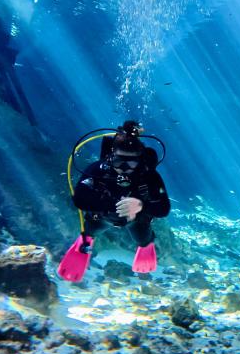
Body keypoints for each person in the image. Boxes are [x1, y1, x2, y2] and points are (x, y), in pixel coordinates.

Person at [57, 121, 171, 283]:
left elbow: (164, 209)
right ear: (111, 157)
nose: (124, 168)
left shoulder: (148, 176)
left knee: (143, 236)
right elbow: (79, 199)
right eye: (119, 162)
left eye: (131, 163)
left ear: (140, 160)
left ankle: (146, 245)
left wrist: (141, 206)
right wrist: (111, 206)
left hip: (136, 218)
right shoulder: (98, 170)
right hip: (103, 215)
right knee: (91, 229)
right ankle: (85, 242)